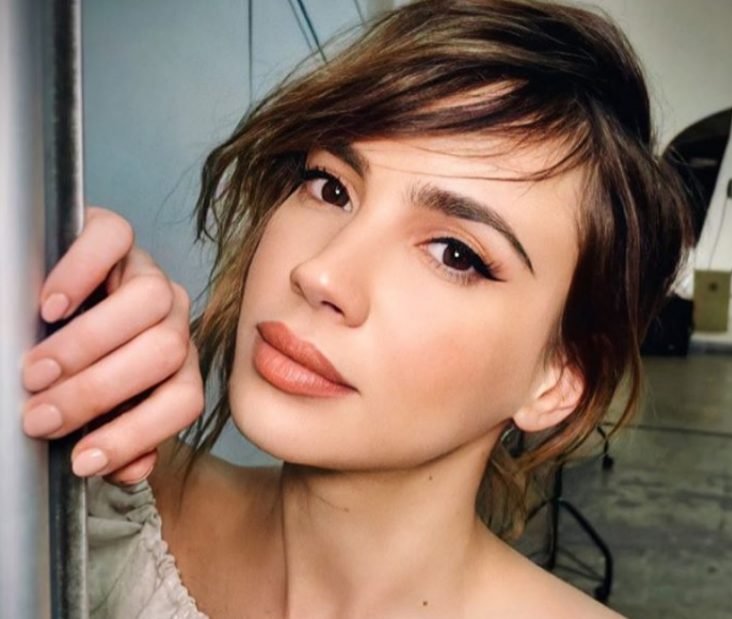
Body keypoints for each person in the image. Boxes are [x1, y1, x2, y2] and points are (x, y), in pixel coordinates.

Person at [22, 0, 691, 616]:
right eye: (330, 188)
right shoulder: (82, 505)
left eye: (456, 253)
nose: (321, 272)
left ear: (558, 380)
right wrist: (35, 299)